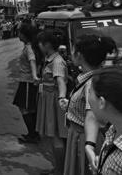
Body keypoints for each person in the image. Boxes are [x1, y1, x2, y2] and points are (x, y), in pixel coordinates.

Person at [62, 34, 115, 175]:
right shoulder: (90, 78)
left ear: (79, 55)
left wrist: (89, 146)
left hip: (84, 138)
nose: (71, 53)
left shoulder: (91, 83)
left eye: (73, 50)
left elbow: (92, 115)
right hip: (80, 136)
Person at [36, 29, 69, 175]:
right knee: (54, 136)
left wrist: (61, 98)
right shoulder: (50, 59)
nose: (39, 47)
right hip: (49, 100)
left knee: (56, 136)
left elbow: (61, 81)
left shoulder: (57, 62)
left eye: (40, 44)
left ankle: (60, 170)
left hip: (54, 102)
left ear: (47, 44)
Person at [13, 24, 41, 144]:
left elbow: (32, 60)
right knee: (27, 108)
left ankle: (33, 134)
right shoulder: (29, 46)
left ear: (24, 35)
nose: (18, 34)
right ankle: (33, 133)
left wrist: (34, 75)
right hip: (25, 81)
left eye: (19, 32)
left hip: (28, 81)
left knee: (26, 108)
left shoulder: (29, 48)